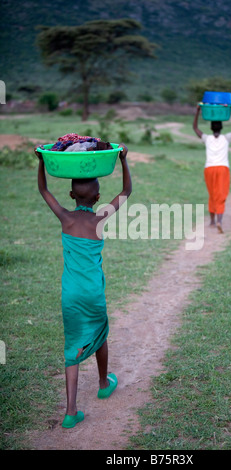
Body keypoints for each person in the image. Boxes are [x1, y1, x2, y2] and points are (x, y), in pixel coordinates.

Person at [35, 143, 132, 429]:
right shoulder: (100, 219)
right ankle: (103, 383)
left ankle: (70, 411)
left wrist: (42, 162)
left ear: (71, 194)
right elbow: (126, 192)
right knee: (100, 332)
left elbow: (43, 191)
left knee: (72, 348)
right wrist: (124, 160)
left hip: (71, 294)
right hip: (93, 292)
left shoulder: (65, 218)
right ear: (98, 197)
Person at [193, 103, 231, 233]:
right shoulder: (226, 138)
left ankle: (211, 221)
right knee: (221, 194)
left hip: (209, 169)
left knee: (212, 194)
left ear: (211, 128)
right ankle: (219, 221)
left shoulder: (207, 138)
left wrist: (198, 112)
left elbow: (195, 128)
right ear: (221, 128)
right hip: (222, 169)